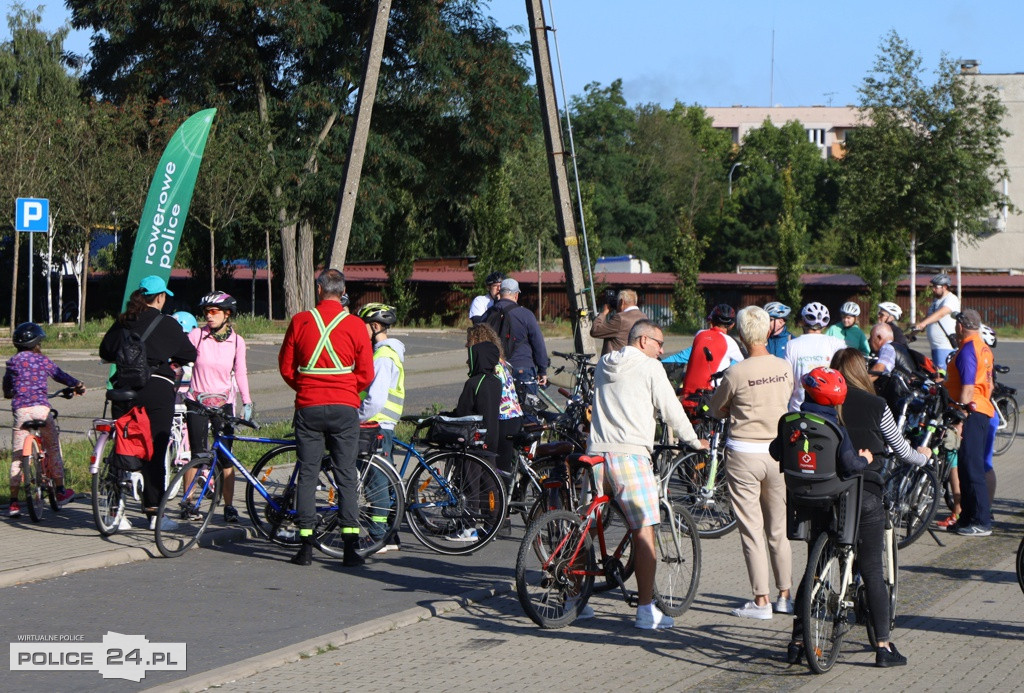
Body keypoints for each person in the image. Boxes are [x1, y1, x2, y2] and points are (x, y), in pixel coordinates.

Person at [778, 364, 908, 668]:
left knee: (814, 573)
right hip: (855, 501)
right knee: (873, 570)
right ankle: (883, 647)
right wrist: (865, 458)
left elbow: (777, 450)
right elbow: (850, 465)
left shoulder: (794, 421)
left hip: (813, 502)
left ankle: (797, 643)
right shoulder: (835, 426)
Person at [588, 319, 708, 629]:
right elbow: (670, 409)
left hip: (596, 453)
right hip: (630, 455)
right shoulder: (650, 368)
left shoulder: (603, 363)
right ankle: (644, 610)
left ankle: (579, 598)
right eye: (659, 343)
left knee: (587, 526)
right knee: (644, 529)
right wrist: (694, 441)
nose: (662, 350)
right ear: (643, 341)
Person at [278, 269, 374, 566]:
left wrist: (306, 387)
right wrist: (346, 390)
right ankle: (349, 547)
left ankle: (305, 546)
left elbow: (286, 366)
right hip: (344, 409)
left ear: (319, 290)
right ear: (342, 291)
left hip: (308, 407)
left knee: (307, 473)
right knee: (345, 473)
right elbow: (366, 373)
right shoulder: (356, 325)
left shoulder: (300, 321)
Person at [708, 307, 793, 620]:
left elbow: (717, 409)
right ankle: (785, 594)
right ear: (769, 331)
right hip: (777, 453)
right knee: (778, 528)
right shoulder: (784, 367)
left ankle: (761, 600)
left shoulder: (736, 373)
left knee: (752, 530)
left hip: (744, 454)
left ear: (741, 335)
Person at [99, 275, 197, 531]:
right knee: (155, 449)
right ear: (161, 297)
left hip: (124, 389)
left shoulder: (124, 321)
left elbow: (105, 350)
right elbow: (190, 354)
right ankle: (155, 513)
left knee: (123, 444)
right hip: (156, 389)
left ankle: (115, 511)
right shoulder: (168, 324)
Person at [4, 323, 85, 517]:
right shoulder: (42, 361)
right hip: (41, 410)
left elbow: (7, 387)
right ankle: (60, 490)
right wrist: (77, 385)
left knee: (17, 456)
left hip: (21, 411)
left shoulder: (13, 362)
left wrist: (9, 392)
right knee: (52, 447)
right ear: (37, 342)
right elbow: (60, 375)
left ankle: (14, 503)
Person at [186, 292, 253, 524]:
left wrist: (247, 401)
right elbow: (179, 358)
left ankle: (229, 506)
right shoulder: (197, 335)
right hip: (197, 401)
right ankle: (188, 501)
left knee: (226, 458)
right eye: (206, 312)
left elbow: (241, 372)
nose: (209, 316)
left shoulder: (237, 341)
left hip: (223, 404)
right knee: (197, 455)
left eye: (214, 312)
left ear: (227, 314)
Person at [357, 302, 405, 553]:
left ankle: (377, 536)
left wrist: (357, 417)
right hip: (384, 424)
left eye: (363, 325)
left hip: (377, 423)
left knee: (375, 481)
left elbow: (375, 398)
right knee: (384, 479)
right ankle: (390, 534)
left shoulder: (383, 356)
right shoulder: (388, 353)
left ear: (375, 326)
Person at [942, 309, 994, 536]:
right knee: (966, 467)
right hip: (981, 409)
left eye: (956, 324)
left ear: (960, 327)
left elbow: (968, 386)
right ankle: (967, 518)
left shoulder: (967, 349)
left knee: (971, 469)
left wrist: (960, 416)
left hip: (970, 412)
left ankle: (981, 521)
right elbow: (989, 386)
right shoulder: (984, 348)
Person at [481, 278, 550, 396]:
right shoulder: (526, 314)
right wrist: (542, 369)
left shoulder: (488, 314)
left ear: (500, 293)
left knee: (500, 409)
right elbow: (538, 343)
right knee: (528, 409)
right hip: (522, 367)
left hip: (495, 368)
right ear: (516, 295)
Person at [677, 304, 744, 414]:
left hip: (687, 394)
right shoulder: (730, 342)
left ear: (711, 320)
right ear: (732, 325)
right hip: (709, 397)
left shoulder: (699, 334)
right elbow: (746, 362)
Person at [784, 302, 846, 411]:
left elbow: (788, 381)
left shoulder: (791, 345)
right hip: (829, 407)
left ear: (803, 321)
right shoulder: (837, 343)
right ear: (825, 324)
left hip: (799, 408)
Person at [914, 273, 960, 368]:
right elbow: (929, 317)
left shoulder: (951, 299)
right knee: (937, 374)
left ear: (944, 287)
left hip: (945, 345)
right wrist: (916, 329)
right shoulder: (936, 301)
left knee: (943, 376)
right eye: (932, 286)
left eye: (936, 287)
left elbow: (941, 313)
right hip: (935, 346)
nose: (933, 289)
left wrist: (923, 323)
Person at [589, 289, 648, 355]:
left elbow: (595, 331)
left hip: (618, 361)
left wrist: (604, 313)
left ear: (622, 302)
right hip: (636, 359)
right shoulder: (644, 317)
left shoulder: (620, 318)